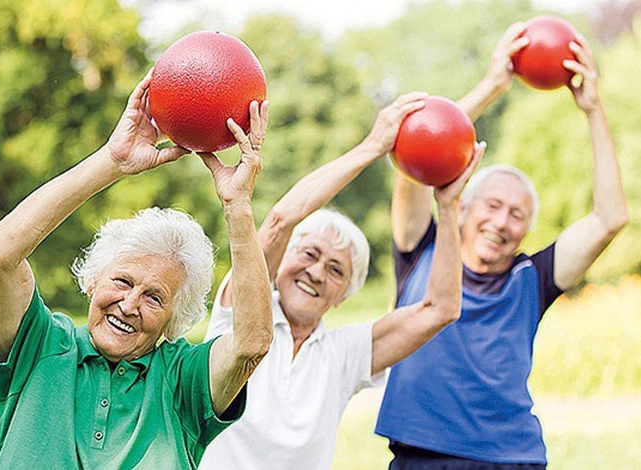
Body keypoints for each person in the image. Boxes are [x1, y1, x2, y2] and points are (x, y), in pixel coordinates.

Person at [0, 70, 274, 469]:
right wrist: (113, 161)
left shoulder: (181, 380)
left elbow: (251, 344)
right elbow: (1, 255)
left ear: (174, 320)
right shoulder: (40, 347)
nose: (130, 304)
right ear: (92, 280)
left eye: (155, 297)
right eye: (122, 281)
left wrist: (237, 206)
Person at [375, 22, 629, 468]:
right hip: (421, 456)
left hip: (512, 457)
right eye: (492, 205)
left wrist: (592, 110)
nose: (501, 222)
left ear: (526, 231)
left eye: (517, 215)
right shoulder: (422, 249)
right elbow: (417, 149)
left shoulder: (532, 278)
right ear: (466, 206)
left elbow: (610, 218)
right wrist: (494, 85)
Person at [198, 91, 486, 470]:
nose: (317, 272)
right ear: (282, 261)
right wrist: (372, 148)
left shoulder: (342, 355)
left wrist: (448, 210)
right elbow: (284, 218)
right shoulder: (239, 313)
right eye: (310, 254)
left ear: (342, 297)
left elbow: (441, 308)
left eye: (336, 271)